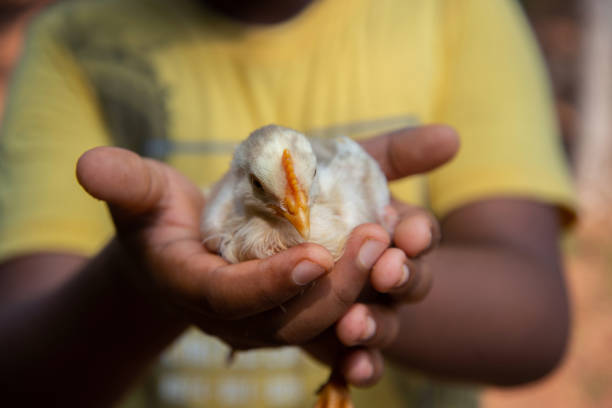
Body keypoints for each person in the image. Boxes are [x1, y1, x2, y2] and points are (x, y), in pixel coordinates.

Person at [0, 0, 575, 407]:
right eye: (267, 194)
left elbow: (538, 324)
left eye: (302, 191)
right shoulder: (77, 41)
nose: (298, 215)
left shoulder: (459, 12)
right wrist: (139, 283)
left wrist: (379, 296)